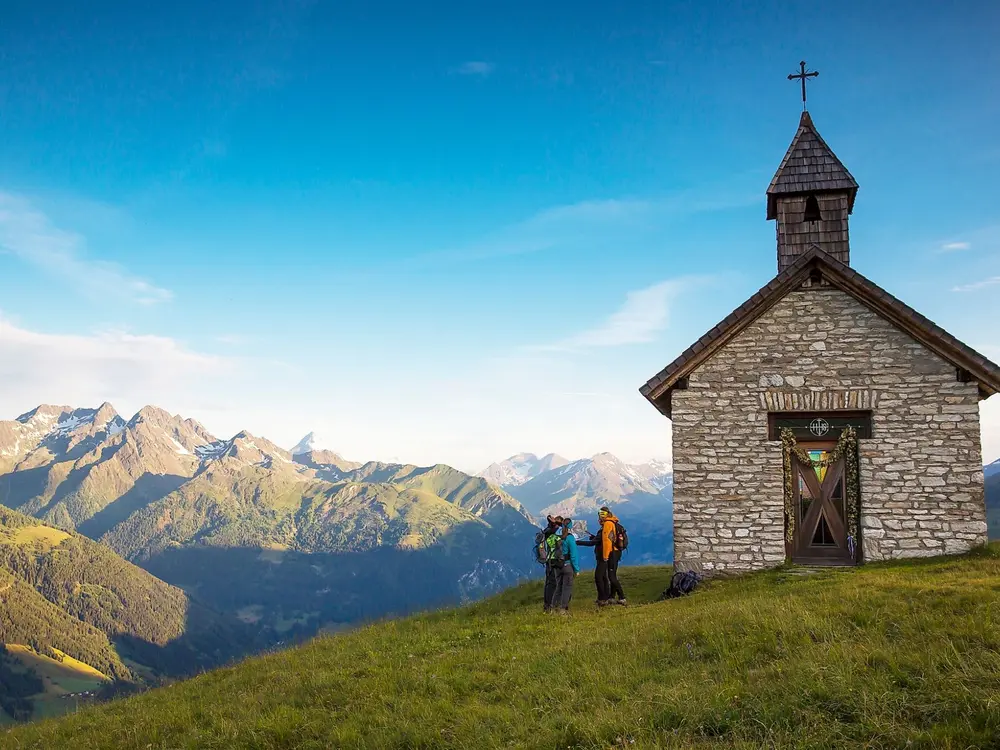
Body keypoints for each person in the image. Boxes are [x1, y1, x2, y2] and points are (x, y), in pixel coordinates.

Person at [552, 516, 580, 615]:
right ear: (570, 526)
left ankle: (553, 608)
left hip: (557, 565)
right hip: (567, 565)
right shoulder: (570, 538)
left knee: (558, 587)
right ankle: (562, 609)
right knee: (567, 587)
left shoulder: (556, 536)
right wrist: (576, 569)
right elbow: (573, 555)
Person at [601, 506, 627, 606]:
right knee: (613, 575)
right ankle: (612, 597)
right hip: (616, 552)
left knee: (611, 576)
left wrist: (605, 555)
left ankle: (622, 597)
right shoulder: (613, 522)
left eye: (601, 514)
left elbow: (607, 541)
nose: (600, 516)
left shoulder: (607, 524)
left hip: (611, 552)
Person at [541, 515, 562, 612]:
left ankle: (548, 605)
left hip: (549, 560)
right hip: (553, 560)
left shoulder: (547, 531)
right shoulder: (552, 532)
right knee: (553, 583)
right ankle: (550, 605)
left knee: (549, 583)